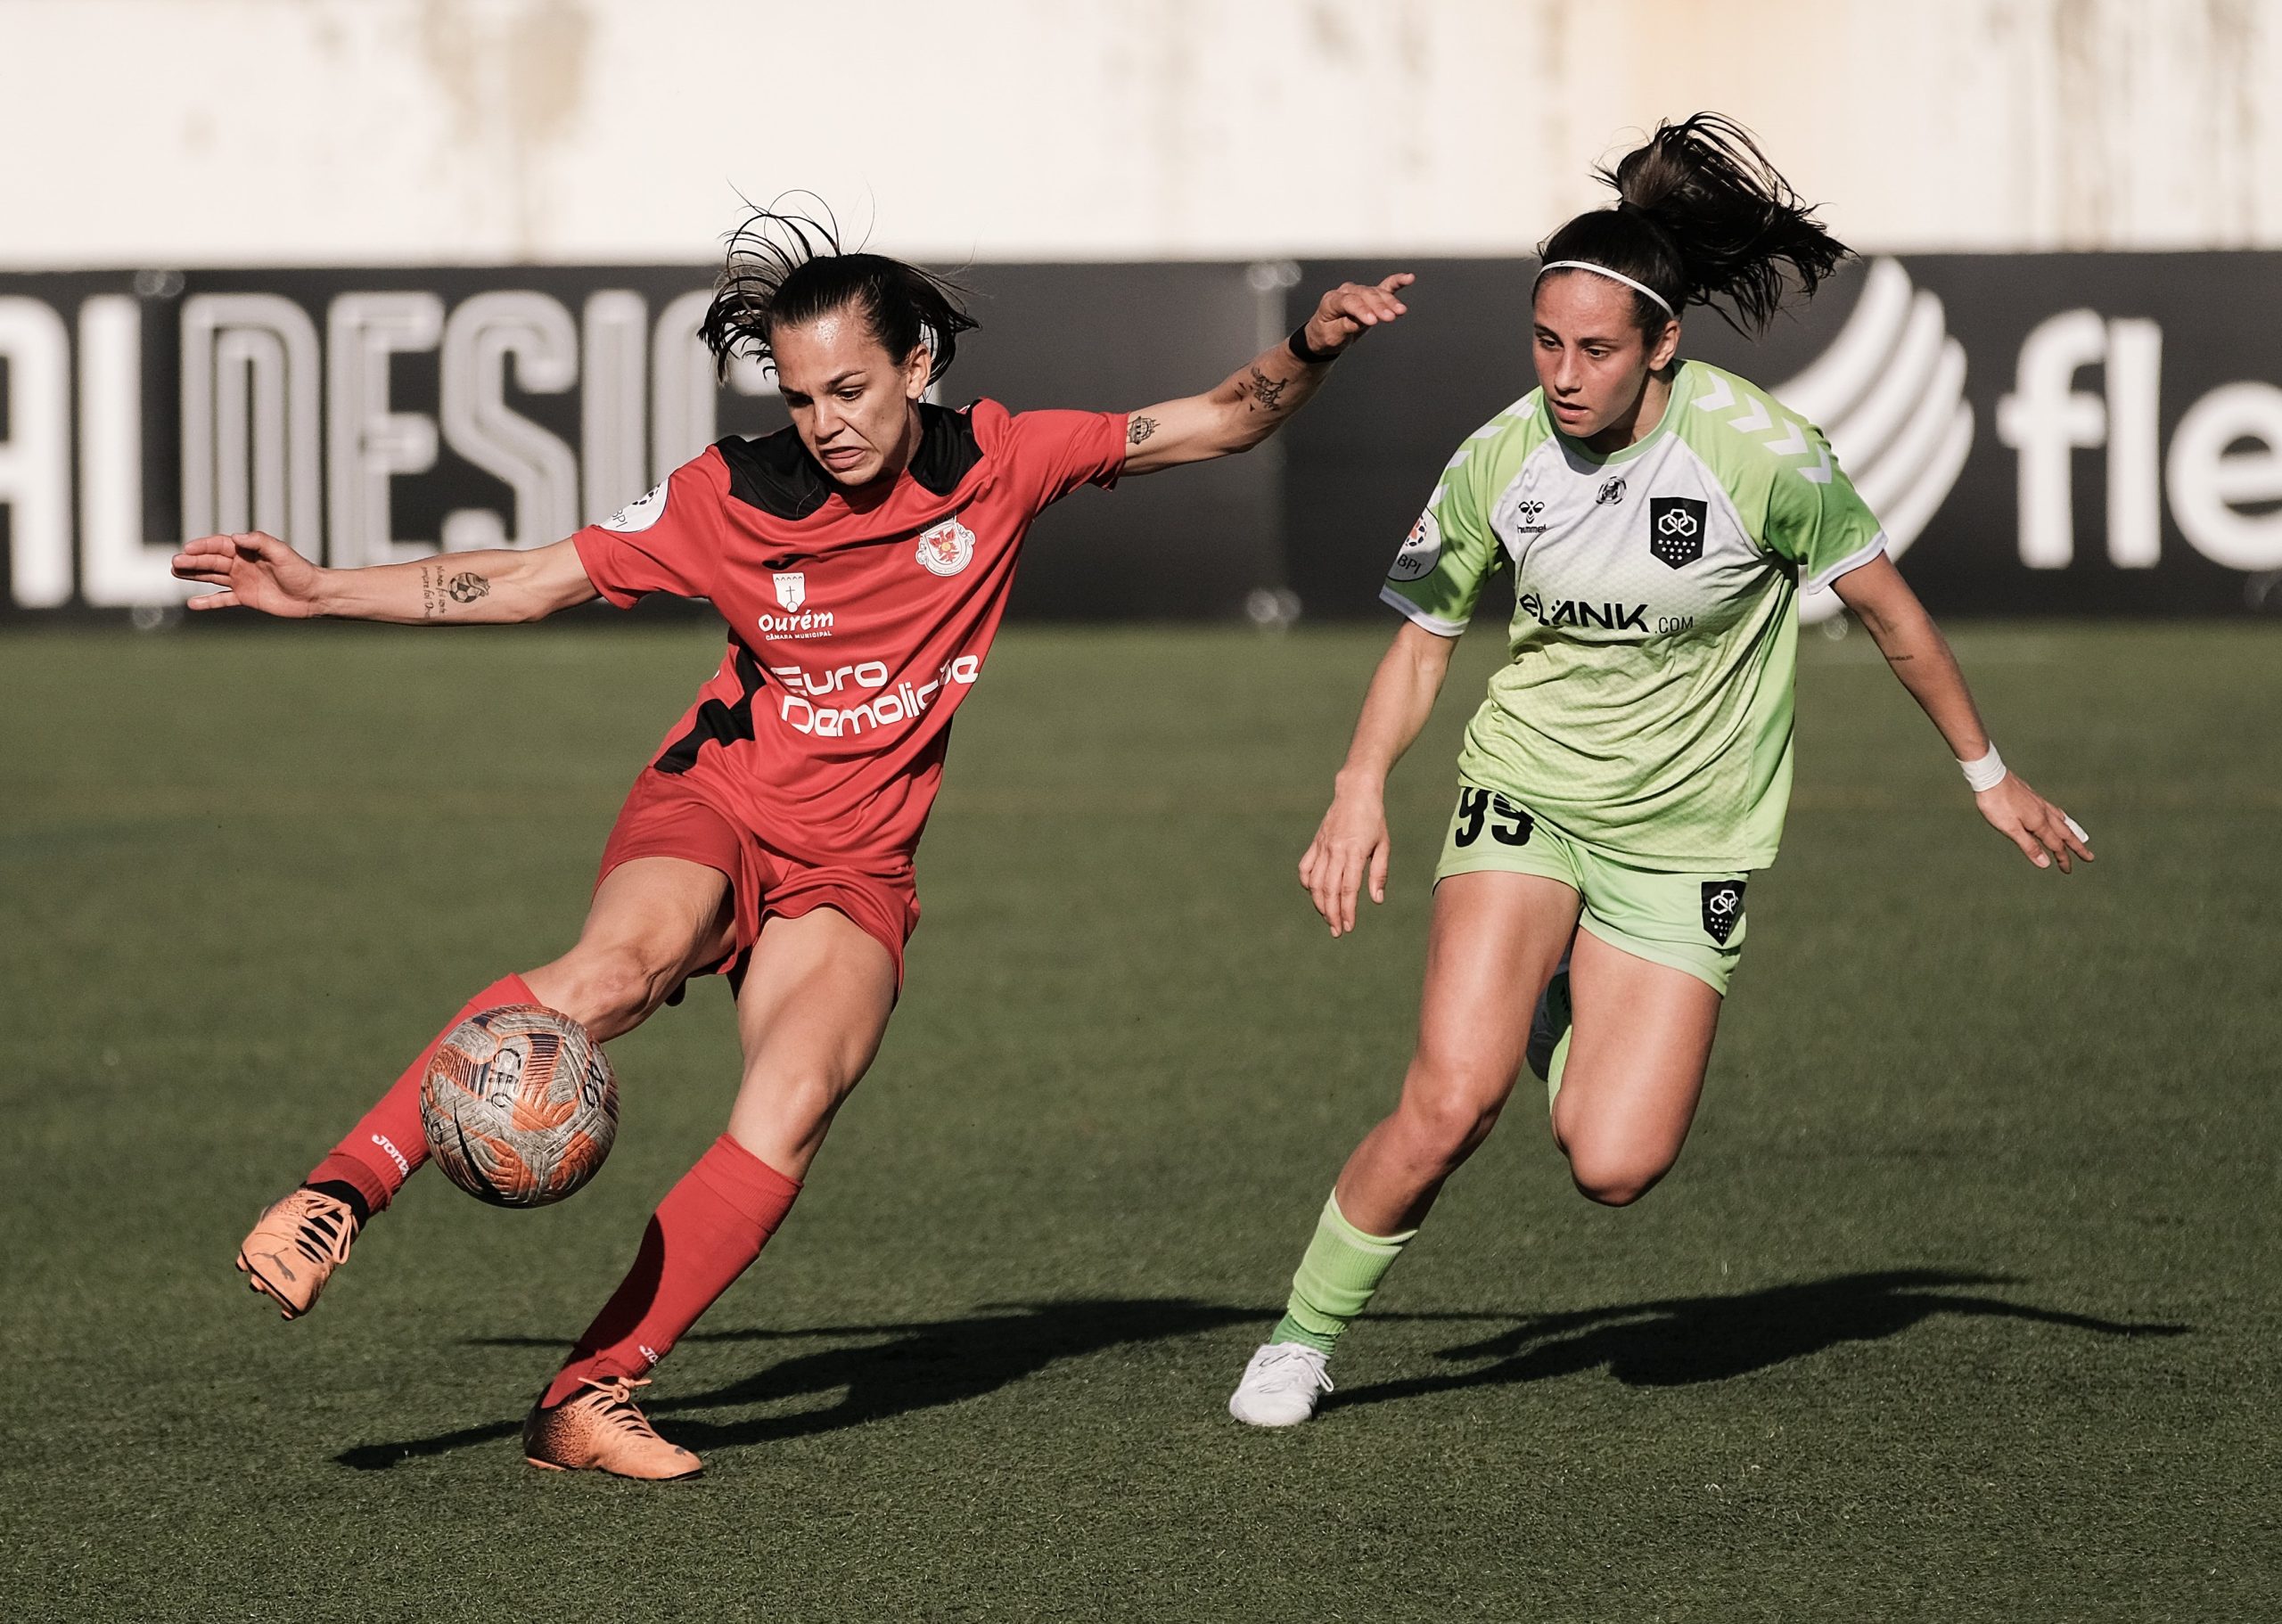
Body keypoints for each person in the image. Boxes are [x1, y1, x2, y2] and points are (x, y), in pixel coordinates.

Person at [177, 209, 1413, 1477]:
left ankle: (587, 1396)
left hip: (857, 866)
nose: (825, 419)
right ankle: (338, 1193)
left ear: (919, 366)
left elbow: (1223, 415)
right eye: (800, 391)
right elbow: (541, 576)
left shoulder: (1007, 461)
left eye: (851, 387)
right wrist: (322, 587)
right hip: (714, 802)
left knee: (794, 1097)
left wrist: (1309, 344)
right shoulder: (731, 494)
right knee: (613, 972)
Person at [1224, 115, 2092, 1427]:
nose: (1564, 376)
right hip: (1527, 791)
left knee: (1616, 1165)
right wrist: (1358, 784)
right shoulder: (1501, 459)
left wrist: (1991, 774)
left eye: (1595, 350)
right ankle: (1301, 1336)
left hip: (1689, 841)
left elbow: (1895, 617)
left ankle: (1555, 994)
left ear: (1662, 344)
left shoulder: (1763, 455)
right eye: (1545, 343)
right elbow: (1422, 643)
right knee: (1450, 1102)